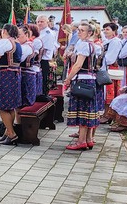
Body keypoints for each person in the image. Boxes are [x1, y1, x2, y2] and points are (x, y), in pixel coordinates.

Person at [63, 22, 99, 150]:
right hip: (91, 79)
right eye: (78, 30)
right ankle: (88, 139)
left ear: (90, 33)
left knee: (83, 110)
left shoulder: (84, 45)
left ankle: (81, 141)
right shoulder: (92, 45)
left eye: (82, 30)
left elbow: (78, 65)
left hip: (82, 80)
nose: (79, 32)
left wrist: (68, 79)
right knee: (88, 110)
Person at [0, 24, 22, 145]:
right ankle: (7, 132)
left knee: (2, 106)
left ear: (5, 31)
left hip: (3, 75)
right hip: (14, 76)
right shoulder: (17, 44)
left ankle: (12, 134)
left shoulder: (4, 42)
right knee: (10, 106)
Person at [99, 22, 122, 123]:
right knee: (105, 93)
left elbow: (110, 58)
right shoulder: (107, 41)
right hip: (106, 68)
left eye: (107, 29)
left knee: (109, 93)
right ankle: (105, 113)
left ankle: (108, 115)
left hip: (111, 69)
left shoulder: (115, 41)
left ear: (114, 31)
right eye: (104, 29)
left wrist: (102, 58)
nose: (105, 31)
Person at [36, 15, 58, 94]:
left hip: (43, 59)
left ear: (47, 22)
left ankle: (43, 94)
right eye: (38, 22)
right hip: (39, 59)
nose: (39, 23)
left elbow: (44, 49)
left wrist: (37, 60)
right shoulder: (40, 32)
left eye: (42, 21)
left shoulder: (48, 33)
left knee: (43, 79)